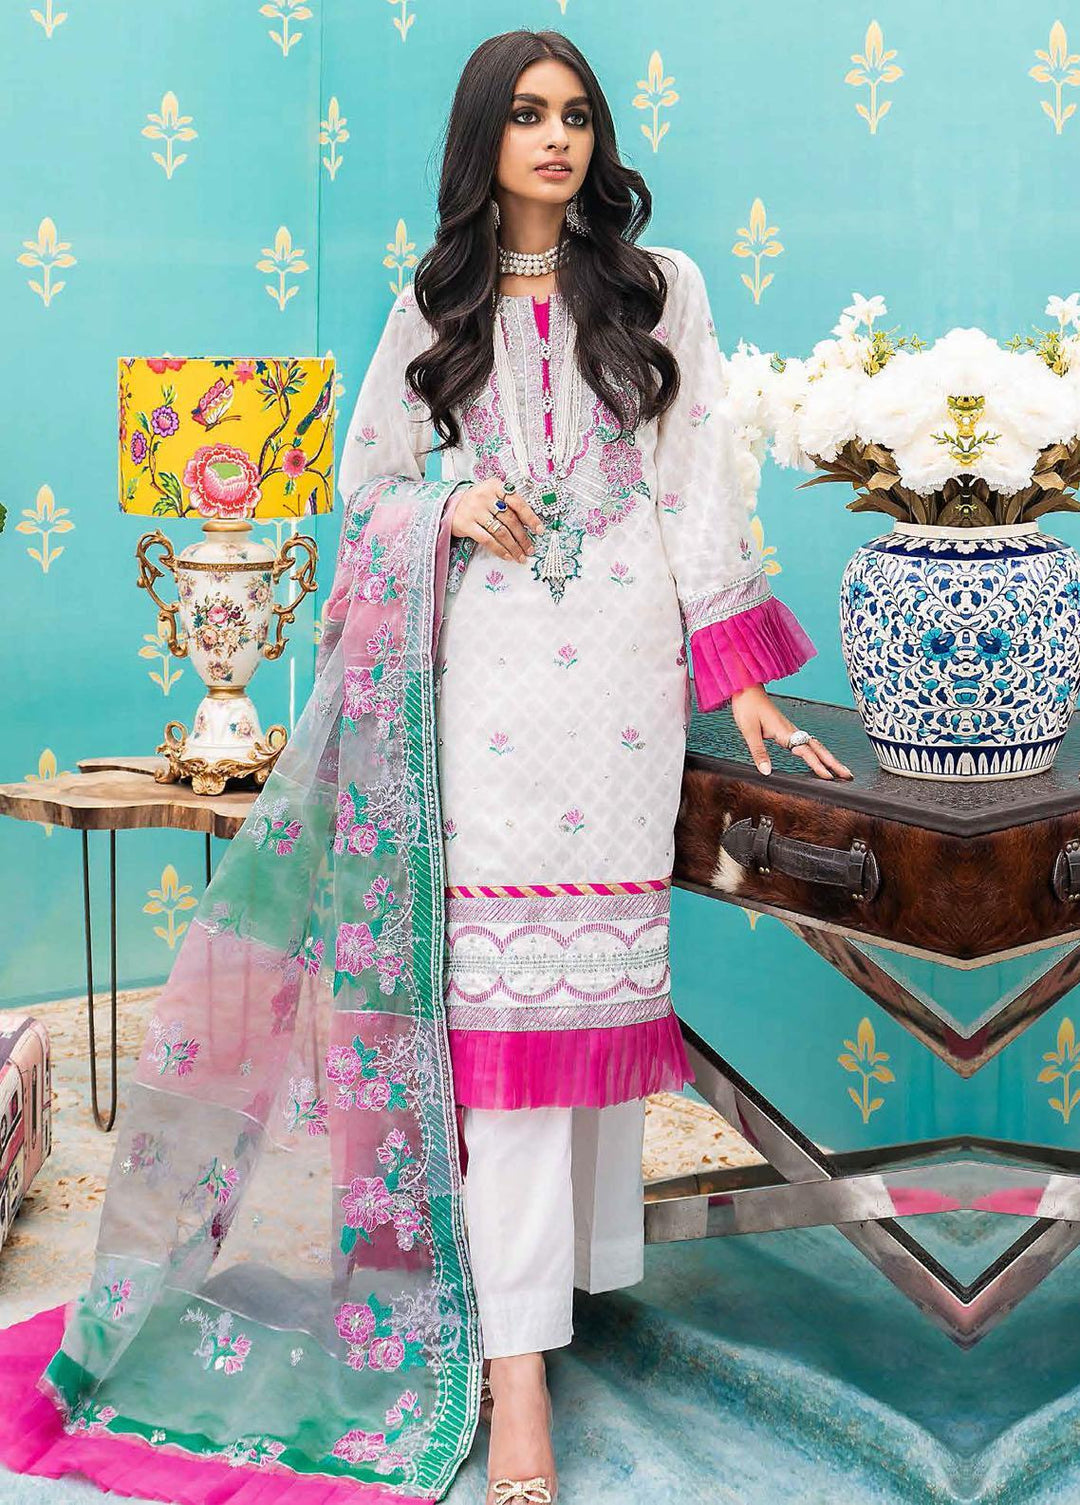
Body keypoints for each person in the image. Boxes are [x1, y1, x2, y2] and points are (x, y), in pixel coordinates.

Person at [335, 27, 852, 1505]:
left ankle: (550, 1299)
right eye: (526, 115)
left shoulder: (655, 287)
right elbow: (366, 492)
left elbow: (697, 492)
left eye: (574, 115)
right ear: (482, 140)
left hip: (621, 701)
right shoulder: (432, 306)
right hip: (487, 698)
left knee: (579, 1029)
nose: (555, 138)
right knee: (502, 1040)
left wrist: (741, 687)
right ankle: (517, 1384)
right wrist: (449, 502)